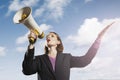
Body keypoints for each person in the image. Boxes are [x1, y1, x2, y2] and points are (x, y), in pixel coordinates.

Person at [22, 22, 114, 80]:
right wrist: (31, 44)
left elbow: (86, 60)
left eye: (52, 36)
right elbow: (27, 70)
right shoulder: (39, 60)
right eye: (47, 37)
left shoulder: (67, 58)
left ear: (58, 42)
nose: (48, 37)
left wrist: (98, 38)